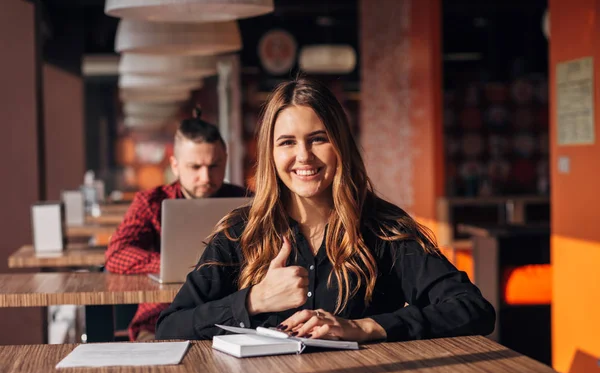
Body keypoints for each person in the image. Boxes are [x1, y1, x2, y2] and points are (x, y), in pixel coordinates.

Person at [155, 78, 495, 342]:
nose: (304, 156)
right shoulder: (239, 232)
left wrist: (363, 327)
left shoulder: (384, 228)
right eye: (287, 142)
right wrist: (253, 301)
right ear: (271, 154)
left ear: (340, 145)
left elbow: (472, 310)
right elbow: (170, 325)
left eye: (318, 138)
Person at [105, 108, 250, 341]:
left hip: (232, 316)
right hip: (162, 316)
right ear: (175, 165)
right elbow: (116, 253)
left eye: (214, 166)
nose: (206, 177)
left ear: (225, 159)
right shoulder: (152, 202)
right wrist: (169, 264)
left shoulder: (246, 201)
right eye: (195, 167)